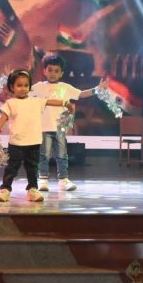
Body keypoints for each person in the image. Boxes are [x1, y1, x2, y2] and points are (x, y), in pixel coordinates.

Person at [0, 69, 69, 202]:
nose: (23, 88)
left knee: (32, 168)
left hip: (34, 142)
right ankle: (5, 189)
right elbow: (3, 118)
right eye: (19, 85)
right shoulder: (10, 103)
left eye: (26, 85)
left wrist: (65, 103)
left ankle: (32, 189)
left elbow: (50, 101)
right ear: (12, 87)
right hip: (16, 143)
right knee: (12, 168)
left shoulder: (36, 101)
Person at [31, 54, 108, 191]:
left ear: (61, 73)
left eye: (56, 71)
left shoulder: (65, 87)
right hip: (44, 128)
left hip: (60, 128)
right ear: (44, 71)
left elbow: (81, 94)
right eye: (50, 70)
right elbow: (23, 93)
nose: (53, 73)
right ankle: (42, 180)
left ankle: (63, 180)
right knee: (44, 155)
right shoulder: (38, 87)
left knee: (62, 155)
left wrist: (97, 89)